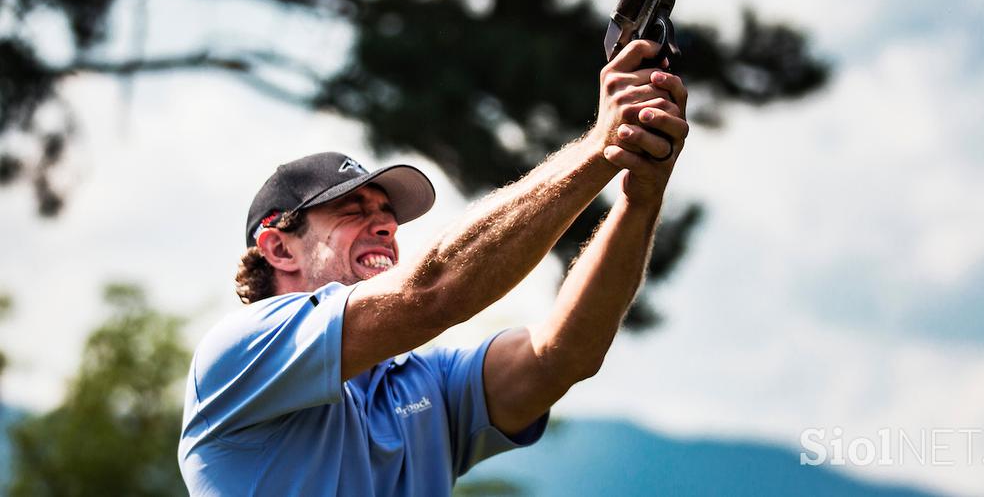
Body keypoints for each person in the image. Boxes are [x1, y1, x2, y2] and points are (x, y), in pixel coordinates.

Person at [178, 40, 689, 495]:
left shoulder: (425, 382)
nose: (384, 226)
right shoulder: (238, 355)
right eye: (353, 211)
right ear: (279, 248)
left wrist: (638, 200)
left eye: (387, 215)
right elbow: (434, 291)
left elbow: (563, 355)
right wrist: (601, 146)